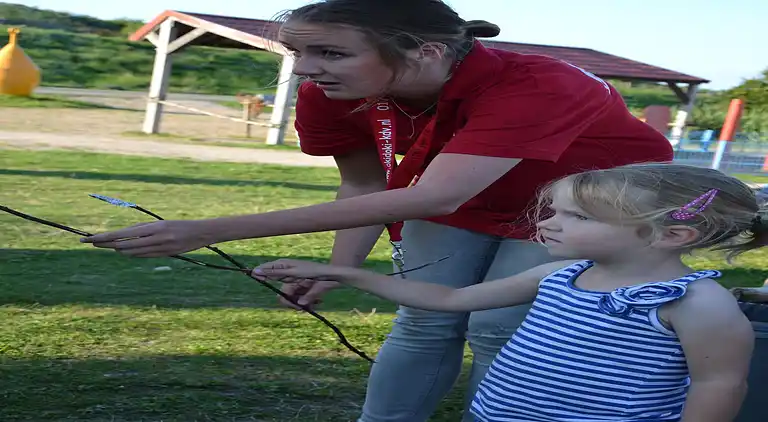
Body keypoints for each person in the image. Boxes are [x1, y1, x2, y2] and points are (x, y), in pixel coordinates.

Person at [81, 0, 675, 420]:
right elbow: (364, 186)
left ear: (426, 52)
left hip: (585, 210)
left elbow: (436, 193)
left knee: (499, 327)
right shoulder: (329, 93)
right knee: (422, 320)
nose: (305, 70)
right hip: (461, 201)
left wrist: (207, 230)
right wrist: (333, 268)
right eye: (297, 52)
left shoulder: (540, 84)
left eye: (331, 53)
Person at [252, 163, 764, 422]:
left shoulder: (695, 303)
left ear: (672, 235)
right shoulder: (560, 275)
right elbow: (450, 301)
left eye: (577, 217)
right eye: (555, 210)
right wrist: (349, 274)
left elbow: (719, 386)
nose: (549, 224)